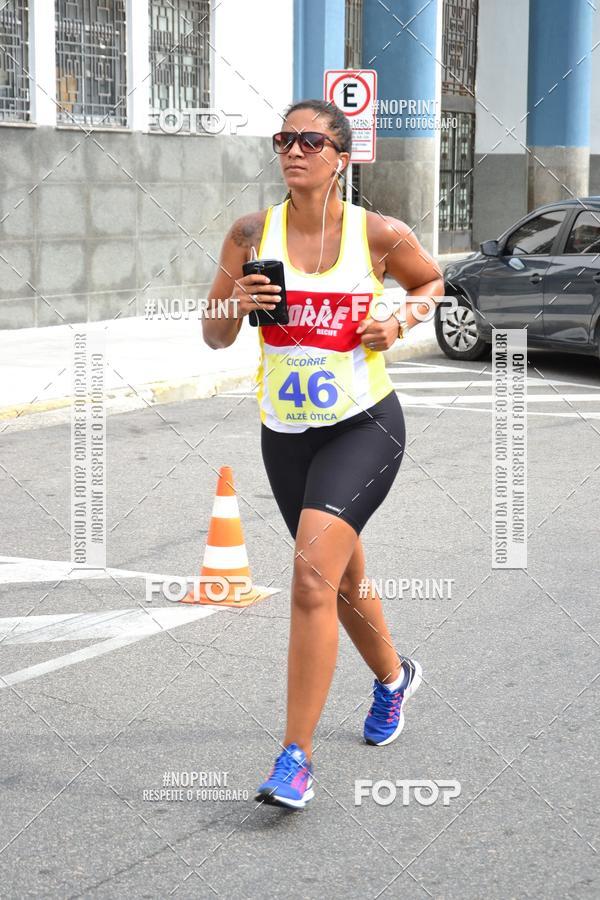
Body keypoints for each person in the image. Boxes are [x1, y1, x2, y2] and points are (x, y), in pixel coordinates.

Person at [202, 99, 445, 810]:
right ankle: (395, 678)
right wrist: (234, 306)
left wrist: (397, 318)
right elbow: (214, 337)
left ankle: (295, 759)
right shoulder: (250, 233)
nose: (294, 149)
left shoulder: (378, 234)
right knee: (339, 578)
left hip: (364, 425)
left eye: (311, 140)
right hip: (285, 433)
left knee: (310, 577)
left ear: (341, 157)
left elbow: (433, 282)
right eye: (284, 139)